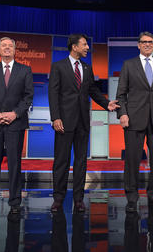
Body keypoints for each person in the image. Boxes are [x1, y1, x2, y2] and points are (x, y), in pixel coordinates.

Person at [48, 33, 119, 213]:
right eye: (84, 45)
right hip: (63, 122)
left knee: (81, 162)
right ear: (74, 46)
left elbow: (93, 91)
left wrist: (106, 104)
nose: (88, 47)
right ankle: (58, 198)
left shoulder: (87, 68)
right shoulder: (58, 67)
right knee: (61, 162)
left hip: (82, 123)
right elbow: (53, 94)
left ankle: (78, 199)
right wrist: (55, 117)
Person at [116, 31, 153, 214]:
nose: (148, 44)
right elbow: (121, 94)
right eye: (144, 42)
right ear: (138, 45)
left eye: (150, 42)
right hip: (134, 119)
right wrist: (122, 114)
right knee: (132, 161)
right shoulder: (129, 65)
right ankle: (132, 199)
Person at [0, 37, 34, 216]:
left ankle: (15, 202)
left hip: (15, 123)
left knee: (15, 164)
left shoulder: (25, 70)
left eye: (11, 46)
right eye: (4, 46)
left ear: (15, 50)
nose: (7, 48)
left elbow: (28, 96)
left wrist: (15, 113)